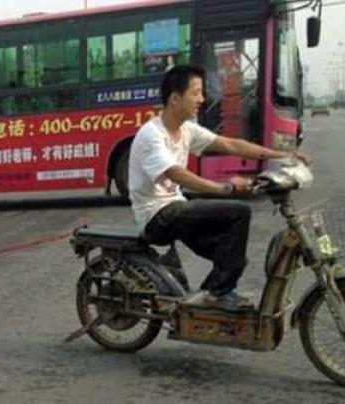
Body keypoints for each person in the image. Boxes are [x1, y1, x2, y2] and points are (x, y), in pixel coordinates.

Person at [128, 65, 308, 310]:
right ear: (175, 98)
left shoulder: (186, 129)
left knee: (233, 255)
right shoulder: (152, 134)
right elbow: (176, 173)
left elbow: (231, 144)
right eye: (197, 93)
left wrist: (283, 155)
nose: (202, 100)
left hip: (175, 208)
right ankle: (218, 293)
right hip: (156, 216)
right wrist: (224, 188)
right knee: (238, 212)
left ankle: (206, 299)